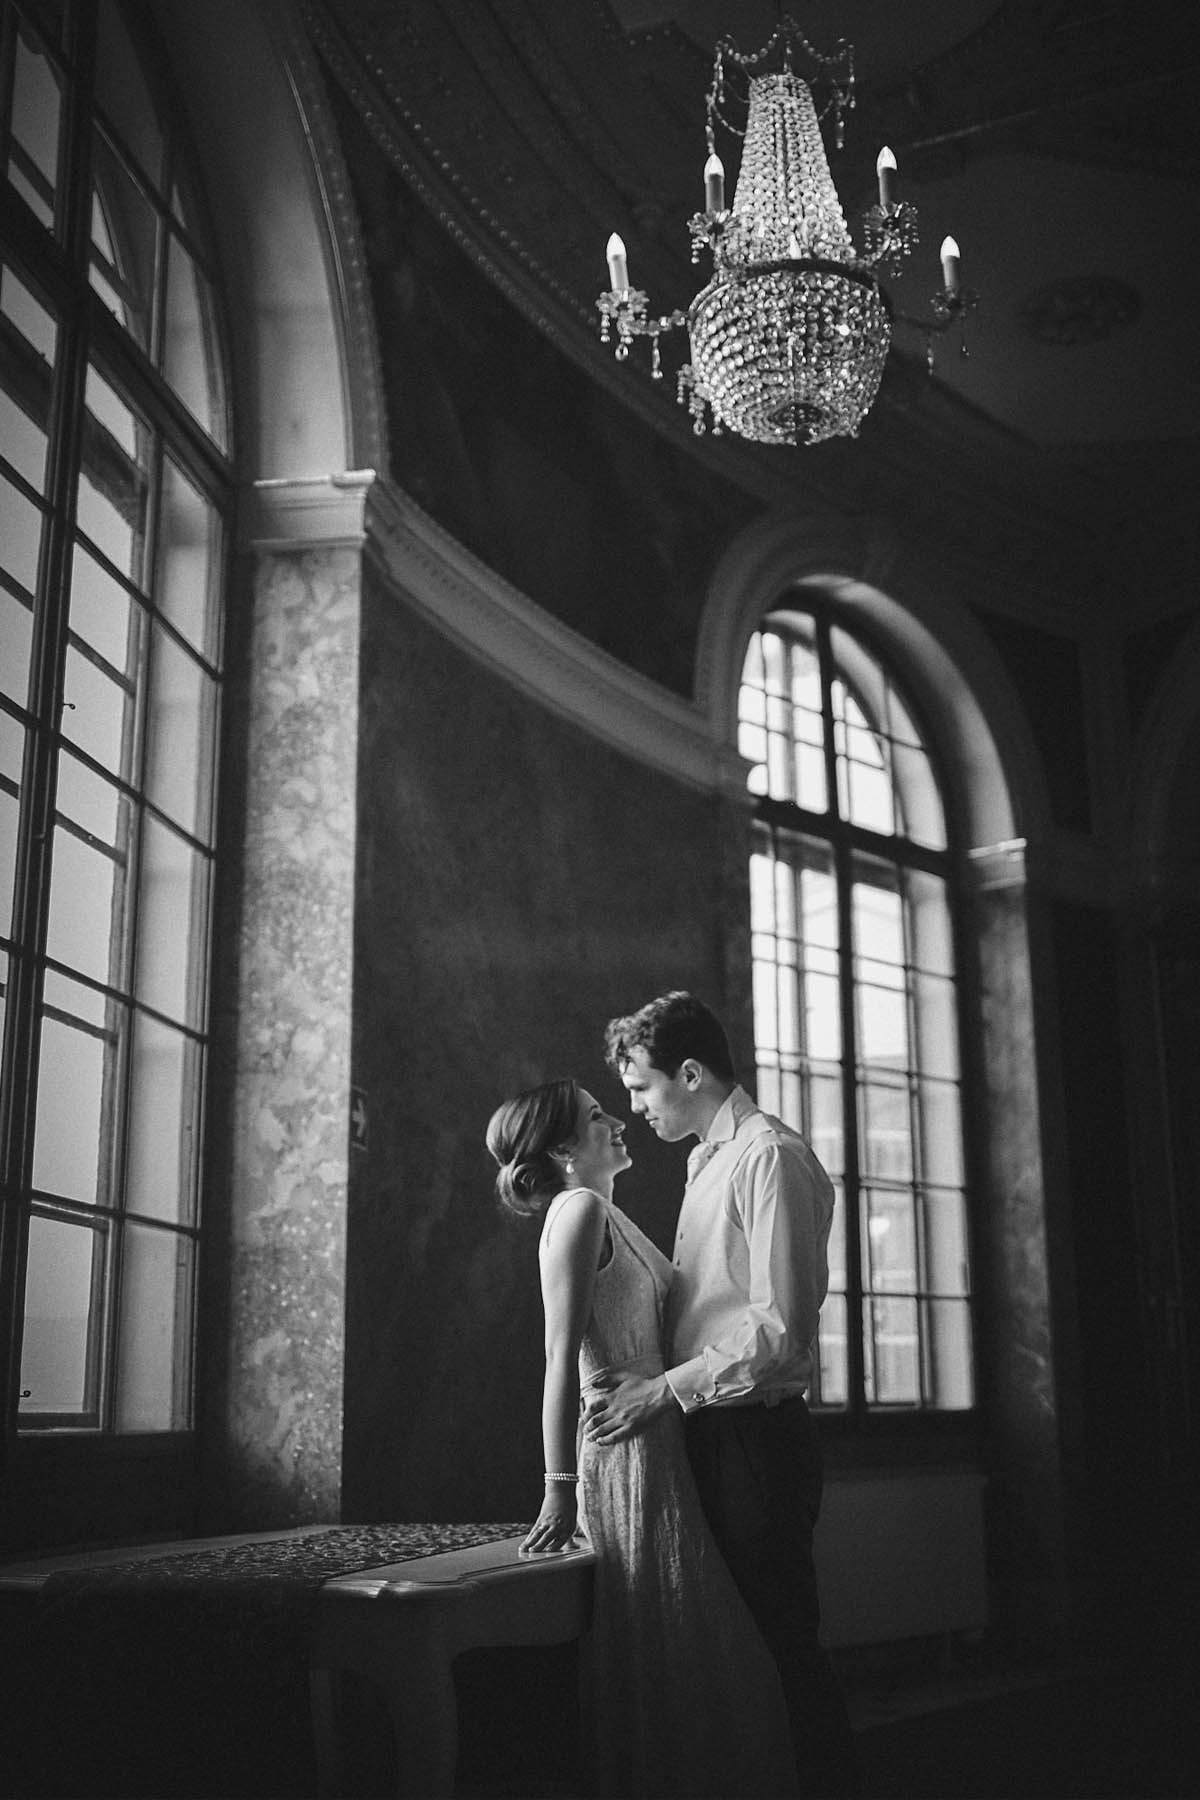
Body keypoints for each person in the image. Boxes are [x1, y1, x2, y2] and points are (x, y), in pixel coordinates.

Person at [487, 1078, 797, 1800]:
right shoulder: (577, 1211)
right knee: (673, 1627)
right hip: (624, 1450)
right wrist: (558, 1488)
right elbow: (559, 1359)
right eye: (598, 1115)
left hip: (660, 1436)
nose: (619, 1121)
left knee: (685, 1628)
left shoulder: (605, 1211)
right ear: (564, 1150)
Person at [586, 991, 857, 1799]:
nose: (636, 1108)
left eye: (642, 1087)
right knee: (737, 1649)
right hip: (709, 1431)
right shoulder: (705, 1160)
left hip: (755, 1439)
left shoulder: (769, 1158)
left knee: (781, 1643)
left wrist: (659, 1393)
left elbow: (779, 1332)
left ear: (690, 1073)